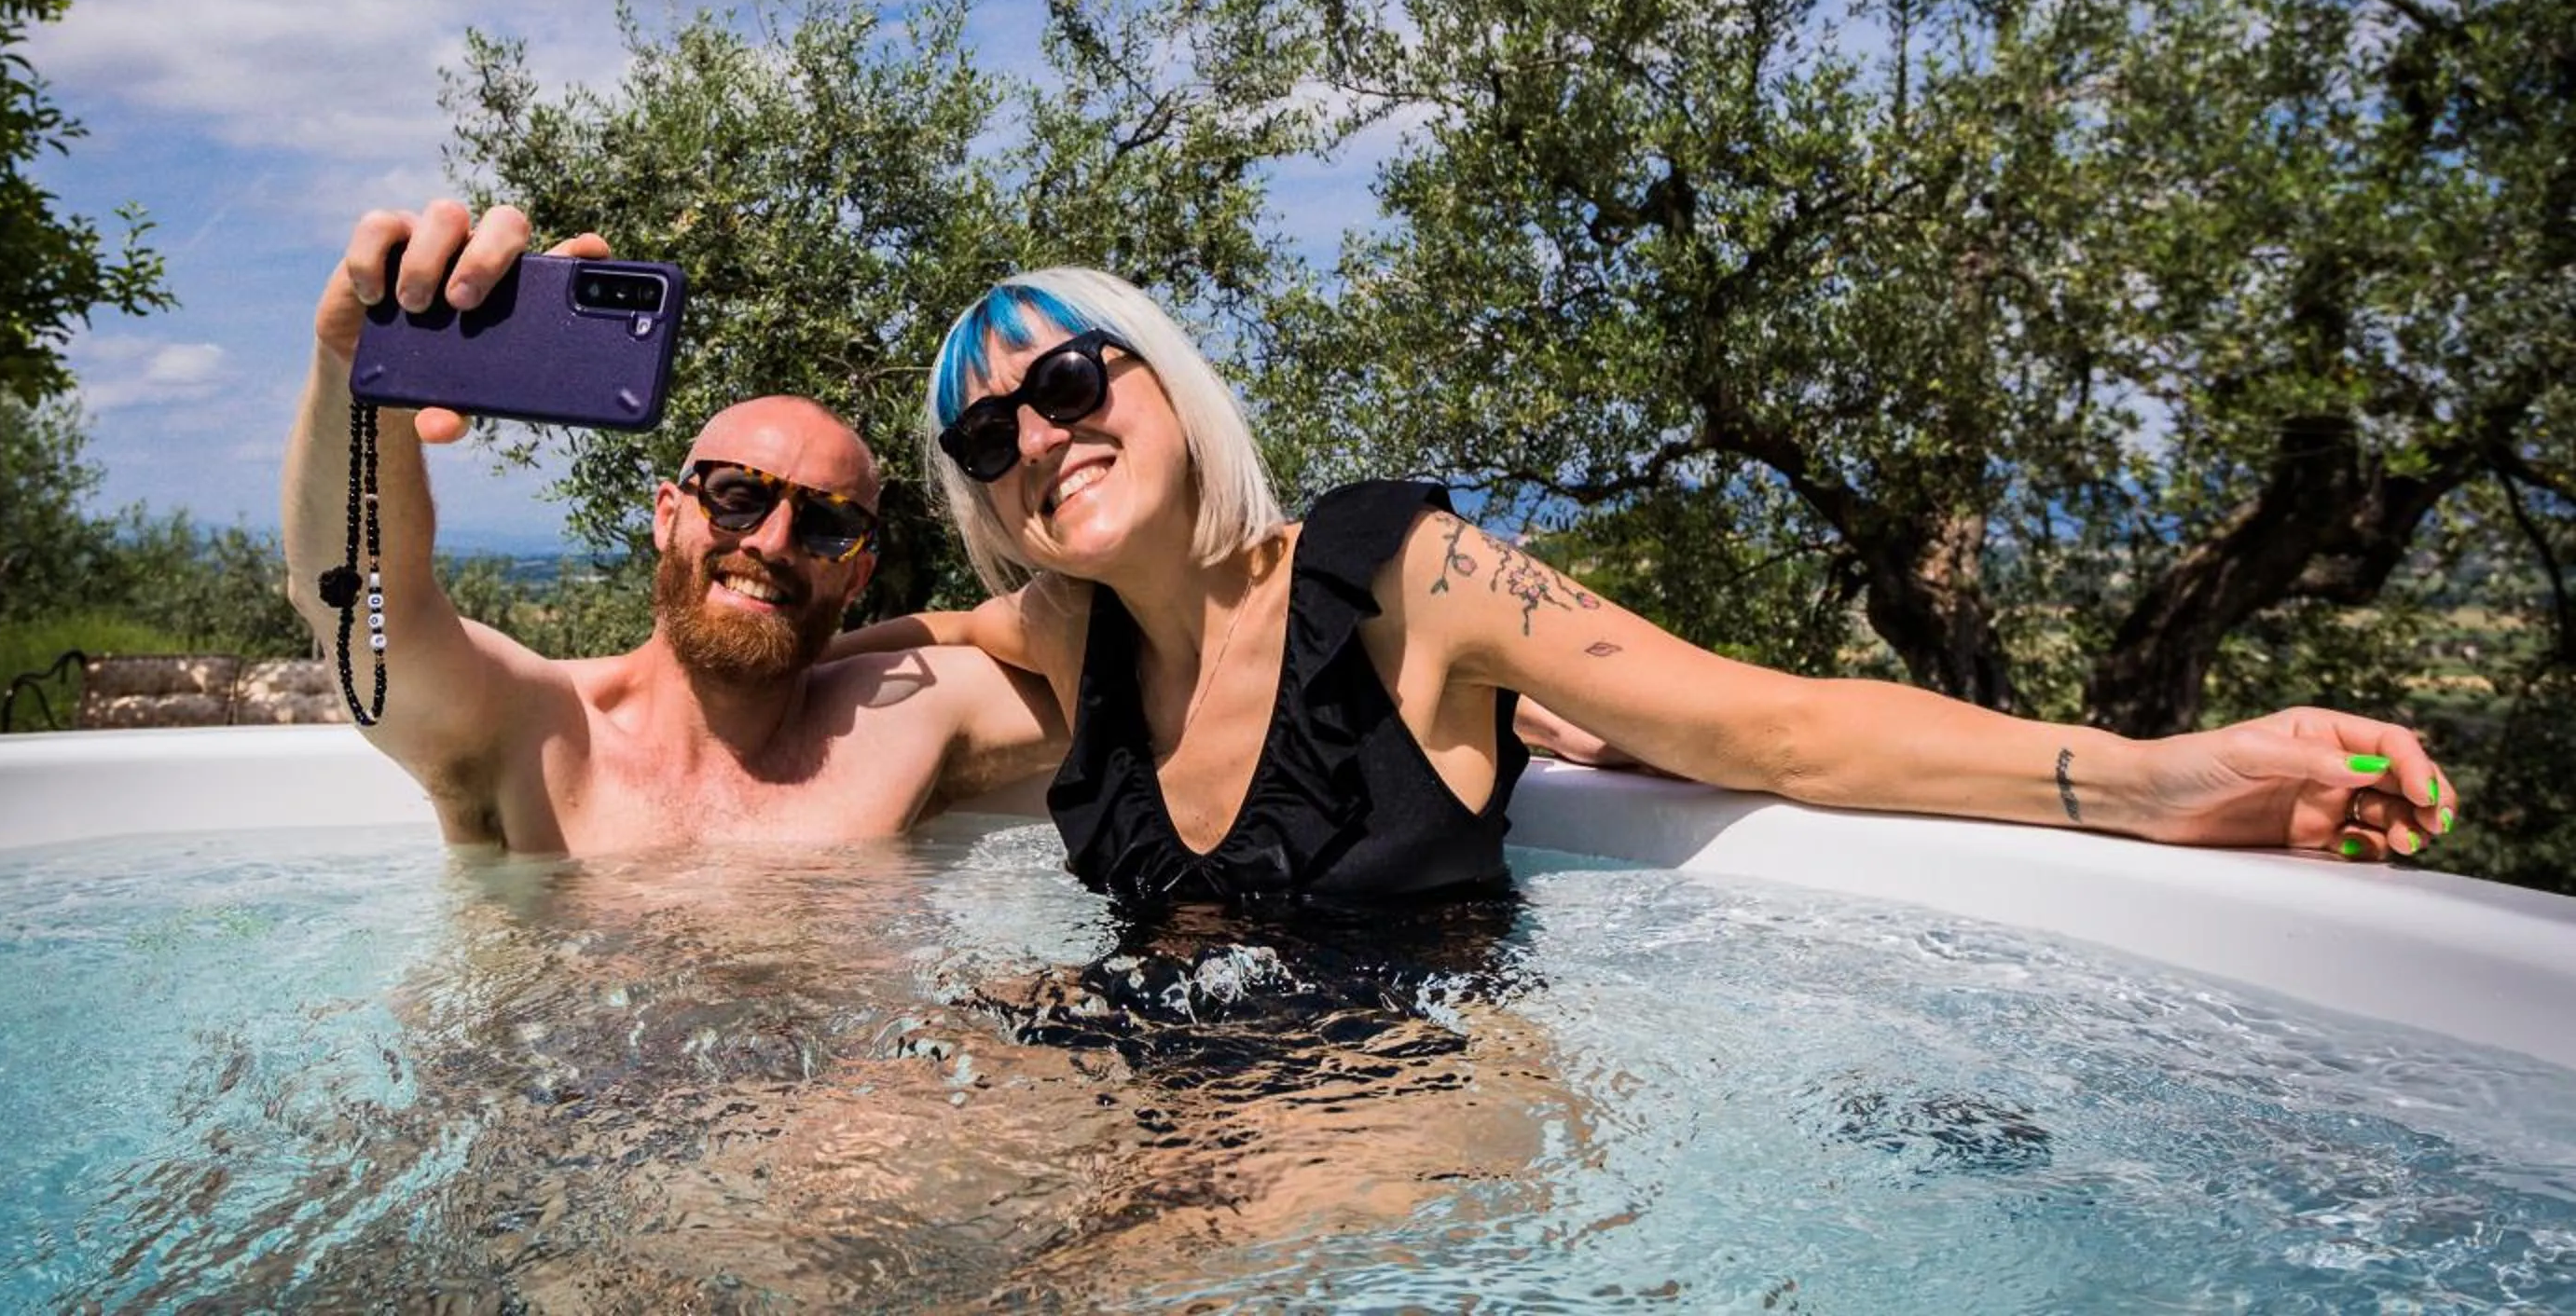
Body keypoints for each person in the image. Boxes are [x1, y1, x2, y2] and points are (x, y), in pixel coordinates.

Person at [839, 267, 2457, 906]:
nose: (1039, 439)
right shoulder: (1070, 633)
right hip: (1156, 1103)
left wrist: (2168, 779)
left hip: (1401, 1118)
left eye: (1069, 386)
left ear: (1167, 378)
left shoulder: (1403, 577)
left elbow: (1787, 733)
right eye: (985, 435)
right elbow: (922, 626)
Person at [282, 203, 1068, 857]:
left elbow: (1142, 653)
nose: (770, 542)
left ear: (858, 572)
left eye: (828, 524)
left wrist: (965, 624)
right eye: (735, 496)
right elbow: (359, 609)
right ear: (668, 514)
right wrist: (355, 370)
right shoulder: (535, 729)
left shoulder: (911, 724)